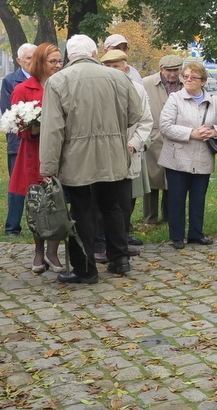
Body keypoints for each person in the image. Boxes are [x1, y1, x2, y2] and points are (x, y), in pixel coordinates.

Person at [40, 35, 142, 283]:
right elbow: (135, 114)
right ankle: (119, 259)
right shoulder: (118, 77)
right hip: (112, 155)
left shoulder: (57, 81)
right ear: (95, 53)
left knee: (81, 211)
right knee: (112, 206)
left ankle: (85, 269)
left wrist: (48, 166)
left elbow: (53, 129)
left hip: (76, 158)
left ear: (69, 56)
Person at [8, 43, 65, 273]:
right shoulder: (23, 89)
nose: (58, 65)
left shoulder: (63, 85)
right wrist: (35, 129)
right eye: (53, 61)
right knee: (36, 204)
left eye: (60, 61)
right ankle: (39, 251)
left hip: (60, 151)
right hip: (34, 153)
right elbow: (15, 126)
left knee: (57, 202)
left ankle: (53, 251)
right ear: (41, 62)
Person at [158, 62, 217, 249]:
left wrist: (214, 132)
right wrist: (191, 133)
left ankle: (196, 233)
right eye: (186, 76)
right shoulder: (175, 99)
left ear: (203, 81)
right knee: (177, 198)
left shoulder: (214, 101)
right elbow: (165, 126)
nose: (188, 80)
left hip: (203, 157)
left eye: (193, 77)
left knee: (198, 198)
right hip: (177, 158)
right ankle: (177, 236)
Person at [99, 50, 153, 254]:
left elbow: (146, 121)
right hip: (102, 155)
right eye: (108, 66)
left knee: (124, 202)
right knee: (101, 202)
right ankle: (102, 243)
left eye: (116, 66)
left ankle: (120, 245)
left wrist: (134, 144)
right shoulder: (98, 89)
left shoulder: (137, 90)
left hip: (127, 154)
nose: (112, 70)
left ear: (126, 68)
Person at [142, 55, 183, 226]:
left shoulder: (184, 84)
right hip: (154, 135)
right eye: (169, 70)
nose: (173, 74)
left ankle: (169, 215)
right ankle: (150, 218)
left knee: (172, 178)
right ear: (161, 69)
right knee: (152, 179)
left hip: (176, 135)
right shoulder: (146, 83)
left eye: (176, 70)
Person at [2, 43, 36, 237]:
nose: (32, 61)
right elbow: (9, 113)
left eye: (34, 57)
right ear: (19, 61)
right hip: (18, 140)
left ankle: (39, 224)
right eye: (28, 58)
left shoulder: (45, 79)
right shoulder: (10, 81)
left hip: (38, 140)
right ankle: (12, 228)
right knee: (17, 183)